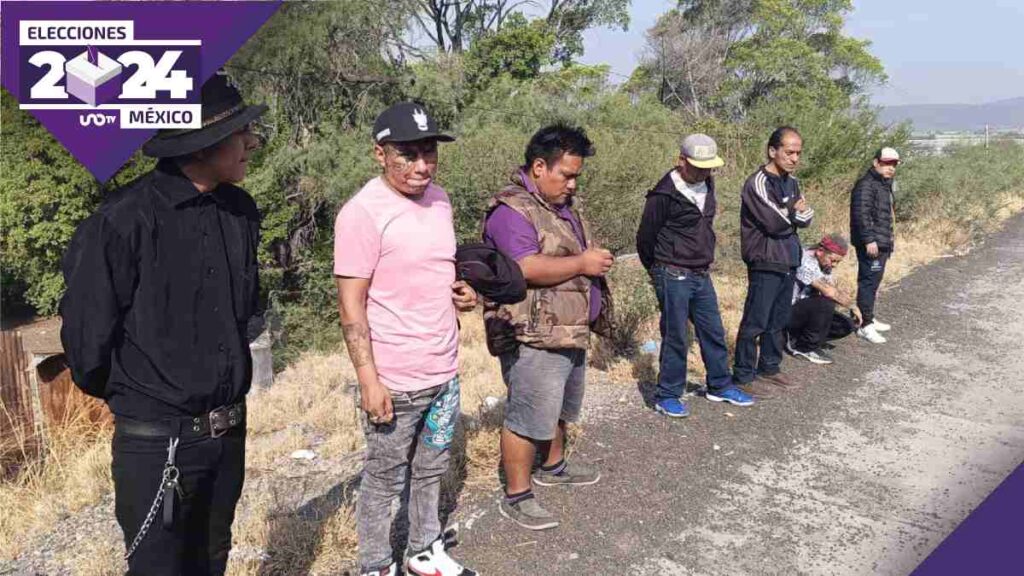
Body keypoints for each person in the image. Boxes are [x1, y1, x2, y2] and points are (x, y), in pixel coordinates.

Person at [60, 70, 265, 575]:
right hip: (157, 445)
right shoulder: (121, 221)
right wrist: (149, 403)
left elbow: (245, 312)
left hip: (227, 434)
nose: (250, 142)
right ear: (200, 145)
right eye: (238, 132)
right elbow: (86, 347)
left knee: (214, 559)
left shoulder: (240, 211)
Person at [334, 102, 478, 576]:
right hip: (395, 379)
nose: (422, 166)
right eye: (408, 154)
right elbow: (351, 306)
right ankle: (374, 566)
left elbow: (436, 267)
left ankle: (423, 549)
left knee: (432, 466)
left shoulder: (441, 200)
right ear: (380, 153)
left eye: (429, 153)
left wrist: (460, 292)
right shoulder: (362, 213)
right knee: (383, 479)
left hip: (443, 370)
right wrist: (368, 379)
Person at [482, 124, 614, 531]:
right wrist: (583, 263)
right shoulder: (511, 211)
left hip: (567, 328)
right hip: (532, 333)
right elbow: (523, 268)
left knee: (556, 406)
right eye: (566, 175)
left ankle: (553, 465)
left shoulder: (559, 205)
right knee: (526, 414)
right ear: (539, 166)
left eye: (576, 176)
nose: (572, 184)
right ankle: (517, 495)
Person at [635, 133, 754, 417]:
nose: (704, 172)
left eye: (709, 167)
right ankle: (667, 394)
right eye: (699, 166)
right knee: (676, 335)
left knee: (712, 330)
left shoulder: (707, 182)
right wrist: (656, 272)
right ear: (681, 161)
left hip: (701, 272)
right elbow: (645, 237)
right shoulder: (663, 195)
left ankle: (720, 385)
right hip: (671, 271)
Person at [733, 126, 815, 399]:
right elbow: (774, 222)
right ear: (773, 150)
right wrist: (794, 213)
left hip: (789, 258)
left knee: (778, 318)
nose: (794, 158)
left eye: (798, 153)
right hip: (766, 258)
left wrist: (794, 213)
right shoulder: (757, 182)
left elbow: (806, 216)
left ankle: (769, 366)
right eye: (789, 152)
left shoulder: (792, 182)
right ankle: (743, 374)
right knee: (756, 319)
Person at [786, 234, 862, 364]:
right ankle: (802, 348)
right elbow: (829, 291)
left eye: (838, 262)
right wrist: (853, 306)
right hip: (788, 311)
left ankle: (804, 339)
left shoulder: (824, 265)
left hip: (807, 310)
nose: (835, 265)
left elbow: (832, 289)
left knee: (847, 325)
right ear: (820, 251)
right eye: (833, 260)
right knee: (825, 303)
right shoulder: (804, 260)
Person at [850, 147, 900, 344]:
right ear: (876, 162)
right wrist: (869, 240)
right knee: (868, 283)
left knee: (873, 283)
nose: (890, 168)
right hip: (872, 244)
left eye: (894, 164)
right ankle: (864, 325)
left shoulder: (883, 184)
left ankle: (868, 316)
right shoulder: (866, 185)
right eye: (886, 163)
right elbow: (861, 214)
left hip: (882, 242)